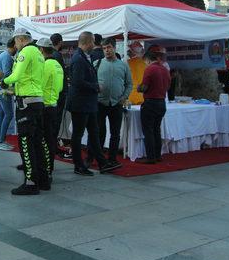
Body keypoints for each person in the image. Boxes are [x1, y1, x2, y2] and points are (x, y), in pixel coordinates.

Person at [2, 28, 48, 194]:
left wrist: (3, 81)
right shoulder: (38, 53)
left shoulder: (26, 52)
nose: (15, 45)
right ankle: (43, 180)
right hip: (37, 100)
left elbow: (16, 75)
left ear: (21, 39)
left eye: (15, 41)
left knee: (26, 143)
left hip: (26, 103)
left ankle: (30, 182)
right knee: (37, 142)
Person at [67, 31, 111, 175]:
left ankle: (102, 162)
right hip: (81, 103)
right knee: (79, 135)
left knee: (94, 133)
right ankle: (78, 165)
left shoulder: (85, 57)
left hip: (88, 103)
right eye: (93, 41)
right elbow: (77, 82)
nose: (95, 45)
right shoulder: (78, 59)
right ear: (86, 42)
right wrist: (96, 87)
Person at [94, 37, 132, 171]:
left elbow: (129, 84)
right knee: (99, 132)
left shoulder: (123, 65)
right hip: (100, 103)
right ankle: (99, 158)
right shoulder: (97, 63)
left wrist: (124, 97)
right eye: (104, 48)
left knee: (115, 133)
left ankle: (112, 158)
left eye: (109, 47)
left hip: (116, 103)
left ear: (115, 48)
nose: (106, 51)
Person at [138, 46, 171, 164]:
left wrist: (139, 87)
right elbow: (168, 86)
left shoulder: (150, 69)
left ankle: (150, 157)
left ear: (147, 59)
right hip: (162, 102)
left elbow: (144, 87)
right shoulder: (165, 69)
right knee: (157, 130)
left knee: (148, 131)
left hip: (151, 102)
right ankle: (158, 155)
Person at [37, 38, 64, 179]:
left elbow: (40, 86)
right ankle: (50, 168)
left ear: (41, 50)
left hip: (45, 106)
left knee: (45, 141)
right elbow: (60, 87)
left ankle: (46, 171)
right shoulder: (57, 64)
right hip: (54, 104)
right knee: (51, 139)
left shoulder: (46, 65)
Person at [0, 37, 16, 151]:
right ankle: (1, 141)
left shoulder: (3, 55)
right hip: (3, 90)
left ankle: (0, 140)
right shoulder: (7, 57)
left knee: (3, 115)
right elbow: (7, 75)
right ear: (14, 45)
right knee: (9, 115)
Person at [50, 33, 68, 158]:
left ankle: (52, 146)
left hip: (53, 94)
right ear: (60, 42)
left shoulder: (52, 56)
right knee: (55, 123)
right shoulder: (57, 56)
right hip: (57, 94)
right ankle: (53, 147)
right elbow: (60, 76)